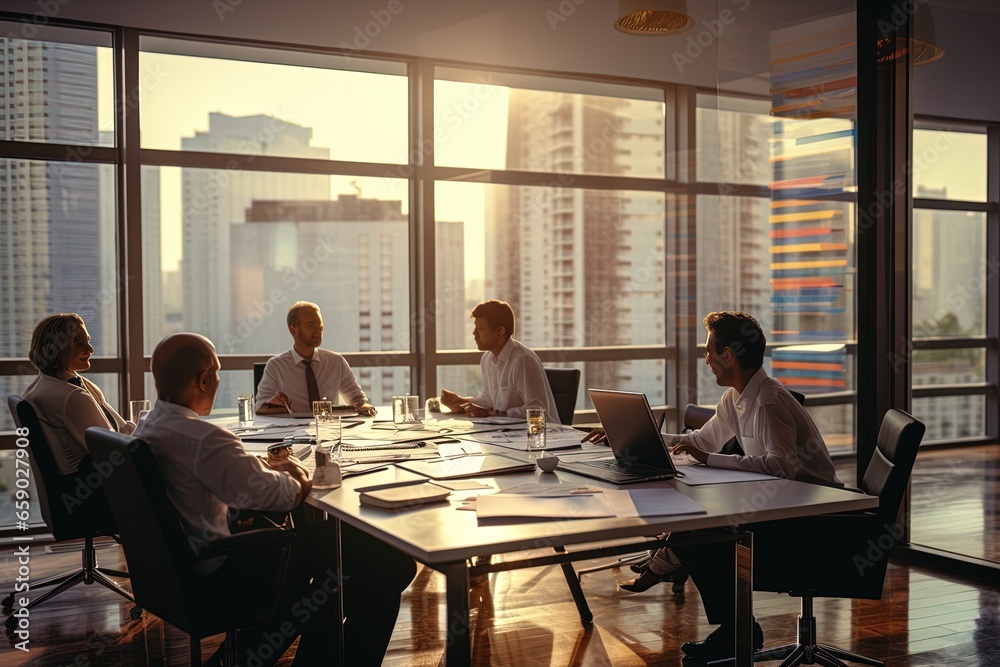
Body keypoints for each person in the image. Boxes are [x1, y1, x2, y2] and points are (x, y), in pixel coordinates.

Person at [136, 333, 415, 666]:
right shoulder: (203, 439)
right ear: (205, 379)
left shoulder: (147, 426)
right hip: (224, 570)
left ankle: (286, 654)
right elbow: (286, 496)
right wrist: (296, 468)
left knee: (341, 571)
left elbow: (231, 482)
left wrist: (256, 468)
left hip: (177, 571)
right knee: (390, 562)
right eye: (218, 372)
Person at [585, 311, 843, 662]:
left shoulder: (768, 401)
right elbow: (698, 441)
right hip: (781, 511)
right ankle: (722, 615)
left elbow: (781, 466)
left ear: (728, 355)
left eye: (709, 351)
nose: (706, 359)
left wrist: (709, 459)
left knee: (701, 535)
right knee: (698, 530)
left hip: (814, 523)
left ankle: (724, 618)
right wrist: (630, 439)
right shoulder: (737, 397)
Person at [23, 313, 134, 475]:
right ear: (57, 349)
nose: (90, 349)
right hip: (103, 484)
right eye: (79, 344)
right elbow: (111, 450)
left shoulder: (43, 386)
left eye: (87, 341)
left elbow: (119, 431)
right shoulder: (72, 396)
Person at [439, 299, 558, 420]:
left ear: (500, 331)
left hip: (541, 435)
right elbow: (489, 399)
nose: (474, 333)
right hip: (506, 434)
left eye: (480, 329)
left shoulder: (522, 359)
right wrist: (460, 402)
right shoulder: (487, 359)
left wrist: (495, 413)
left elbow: (538, 409)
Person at [256, 301, 377, 416]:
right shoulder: (276, 366)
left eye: (320, 326)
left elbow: (357, 400)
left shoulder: (336, 362)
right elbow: (260, 408)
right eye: (311, 326)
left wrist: (362, 406)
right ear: (293, 329)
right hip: (291, 432)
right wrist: (277, 405)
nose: (318, 331)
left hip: (328, 429)